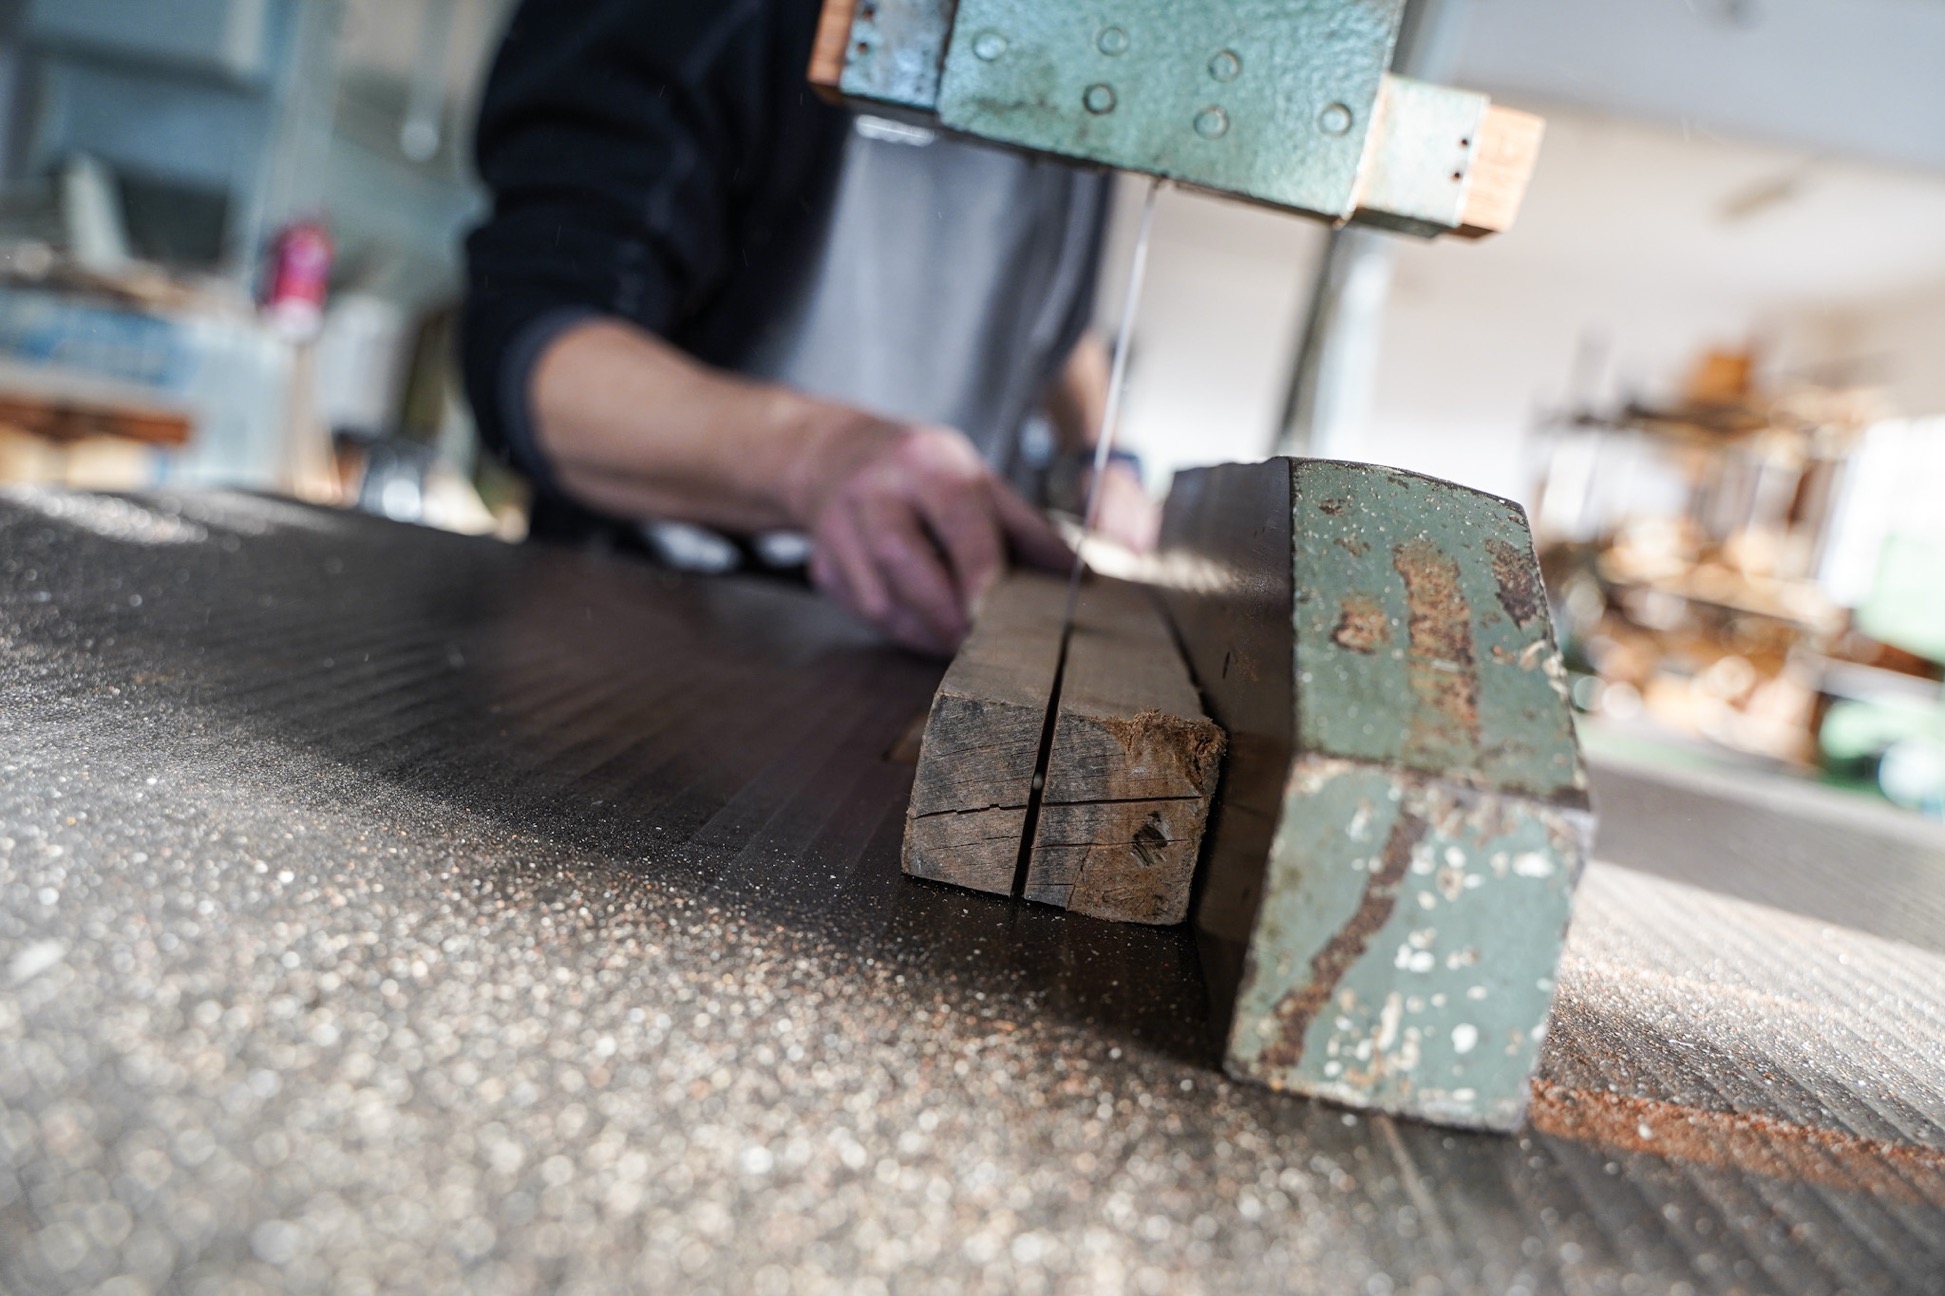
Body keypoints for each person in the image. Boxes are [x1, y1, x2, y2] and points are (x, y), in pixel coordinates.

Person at [462, 0, 1158, 658]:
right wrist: (820, 459)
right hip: (653, 629)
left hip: (923, 647)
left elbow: (1047, 310)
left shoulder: (1081, 62)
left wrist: (1103, 455)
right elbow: (539, 347)